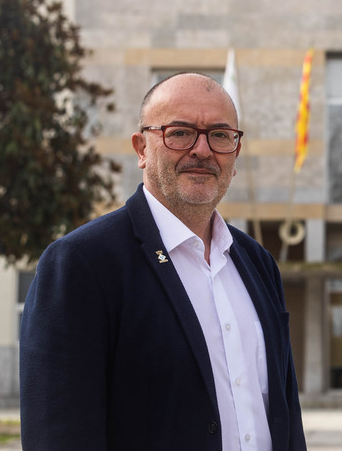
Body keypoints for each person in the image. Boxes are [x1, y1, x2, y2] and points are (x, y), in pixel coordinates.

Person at [20, 72, 306, 451]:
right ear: (141, 148)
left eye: (220, 135)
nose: (202, 150)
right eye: (180, 132)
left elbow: (284, 416)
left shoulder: (258, 263)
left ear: (235, 154)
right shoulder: (82, 264)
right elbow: (59, 434)